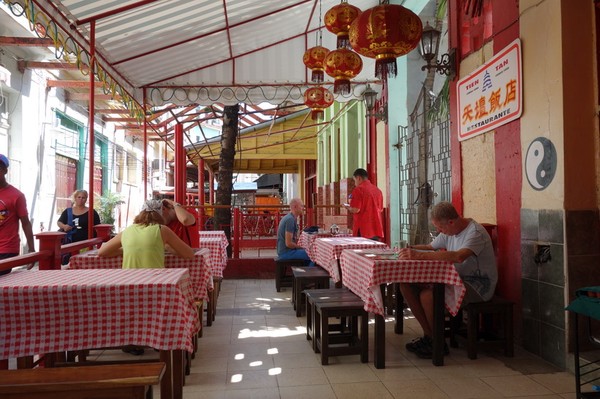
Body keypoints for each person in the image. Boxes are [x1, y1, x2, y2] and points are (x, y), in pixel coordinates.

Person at [398, 201, 497, 359]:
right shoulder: (449, 230)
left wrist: (418, 255)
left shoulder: (475, 232)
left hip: (478, 286)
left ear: (451, 221)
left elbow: (459, 256)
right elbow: (431, 247)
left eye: (440, 228)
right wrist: (407, 249)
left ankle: (436, 342)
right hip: (454, 280)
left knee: (427, 295)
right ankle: (431, 337)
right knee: (406, 286)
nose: (439, 231)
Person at [98, 199, 195, 269]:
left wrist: (128, 248)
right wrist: (166, 247)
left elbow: (102, 252)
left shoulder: (127, 231)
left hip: (129, 284)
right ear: (161, 213)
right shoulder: (162, 229)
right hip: (155, 284)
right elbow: (189, 254)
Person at [0, 154, 35, 275]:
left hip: (6, 248)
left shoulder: (16, 195)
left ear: (5, 170)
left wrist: (31, 249)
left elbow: (25, 223)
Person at [57, 190, 101, 264]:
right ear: (75, 198)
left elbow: (98, 226)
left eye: (83, 197)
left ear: (86, 199)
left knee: (84, 263)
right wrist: (64, 226)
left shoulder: (91, 212)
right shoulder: (68, 211)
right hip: (70, 243)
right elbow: (59, 222)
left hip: (86, 244)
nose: (81, 199)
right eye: (79, 197)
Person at [343, 168, 384, 241]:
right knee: (374, 251)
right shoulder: (378, 190)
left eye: (354, 180)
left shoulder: (358, 189)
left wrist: (347, 207)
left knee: (361, 251)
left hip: (363, 229)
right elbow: (380, 209)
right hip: (376, 228)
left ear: (358, 178)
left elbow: (356, 209)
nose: (355, 183)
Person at [276, 198, 311, 264]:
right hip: (285, 252)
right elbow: (288, 243)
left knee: (308, 253)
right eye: (301, 206)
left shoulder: (289, 217)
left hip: (283, 251)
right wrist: (301, 247)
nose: (303, 208)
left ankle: (304, 271)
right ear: (295, 207)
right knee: (312, 254)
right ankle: (309, 274)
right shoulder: (290, 220)